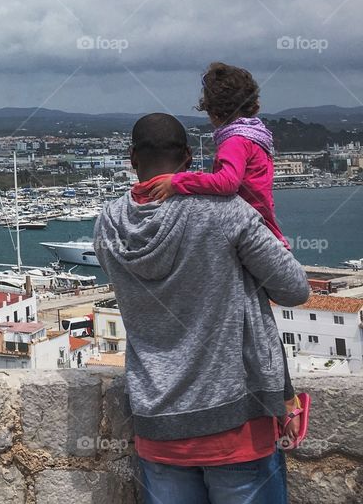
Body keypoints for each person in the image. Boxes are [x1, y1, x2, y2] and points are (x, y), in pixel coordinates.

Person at [94, 113, 310, 504]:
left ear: (132, 159)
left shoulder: (109, 224)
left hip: (157, 424)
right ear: (190, 159)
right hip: (236, 425)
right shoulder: (225, 212)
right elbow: (295, 289)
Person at [147, 62, 304, 440]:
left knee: (255, 321)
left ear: (215, 112)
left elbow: (227, 182)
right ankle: (282, 399)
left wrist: (179, 181)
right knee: (260, 322)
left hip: (250, 235)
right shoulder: (257, 134)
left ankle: (284, 401)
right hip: (263, 229)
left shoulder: (234, 140)